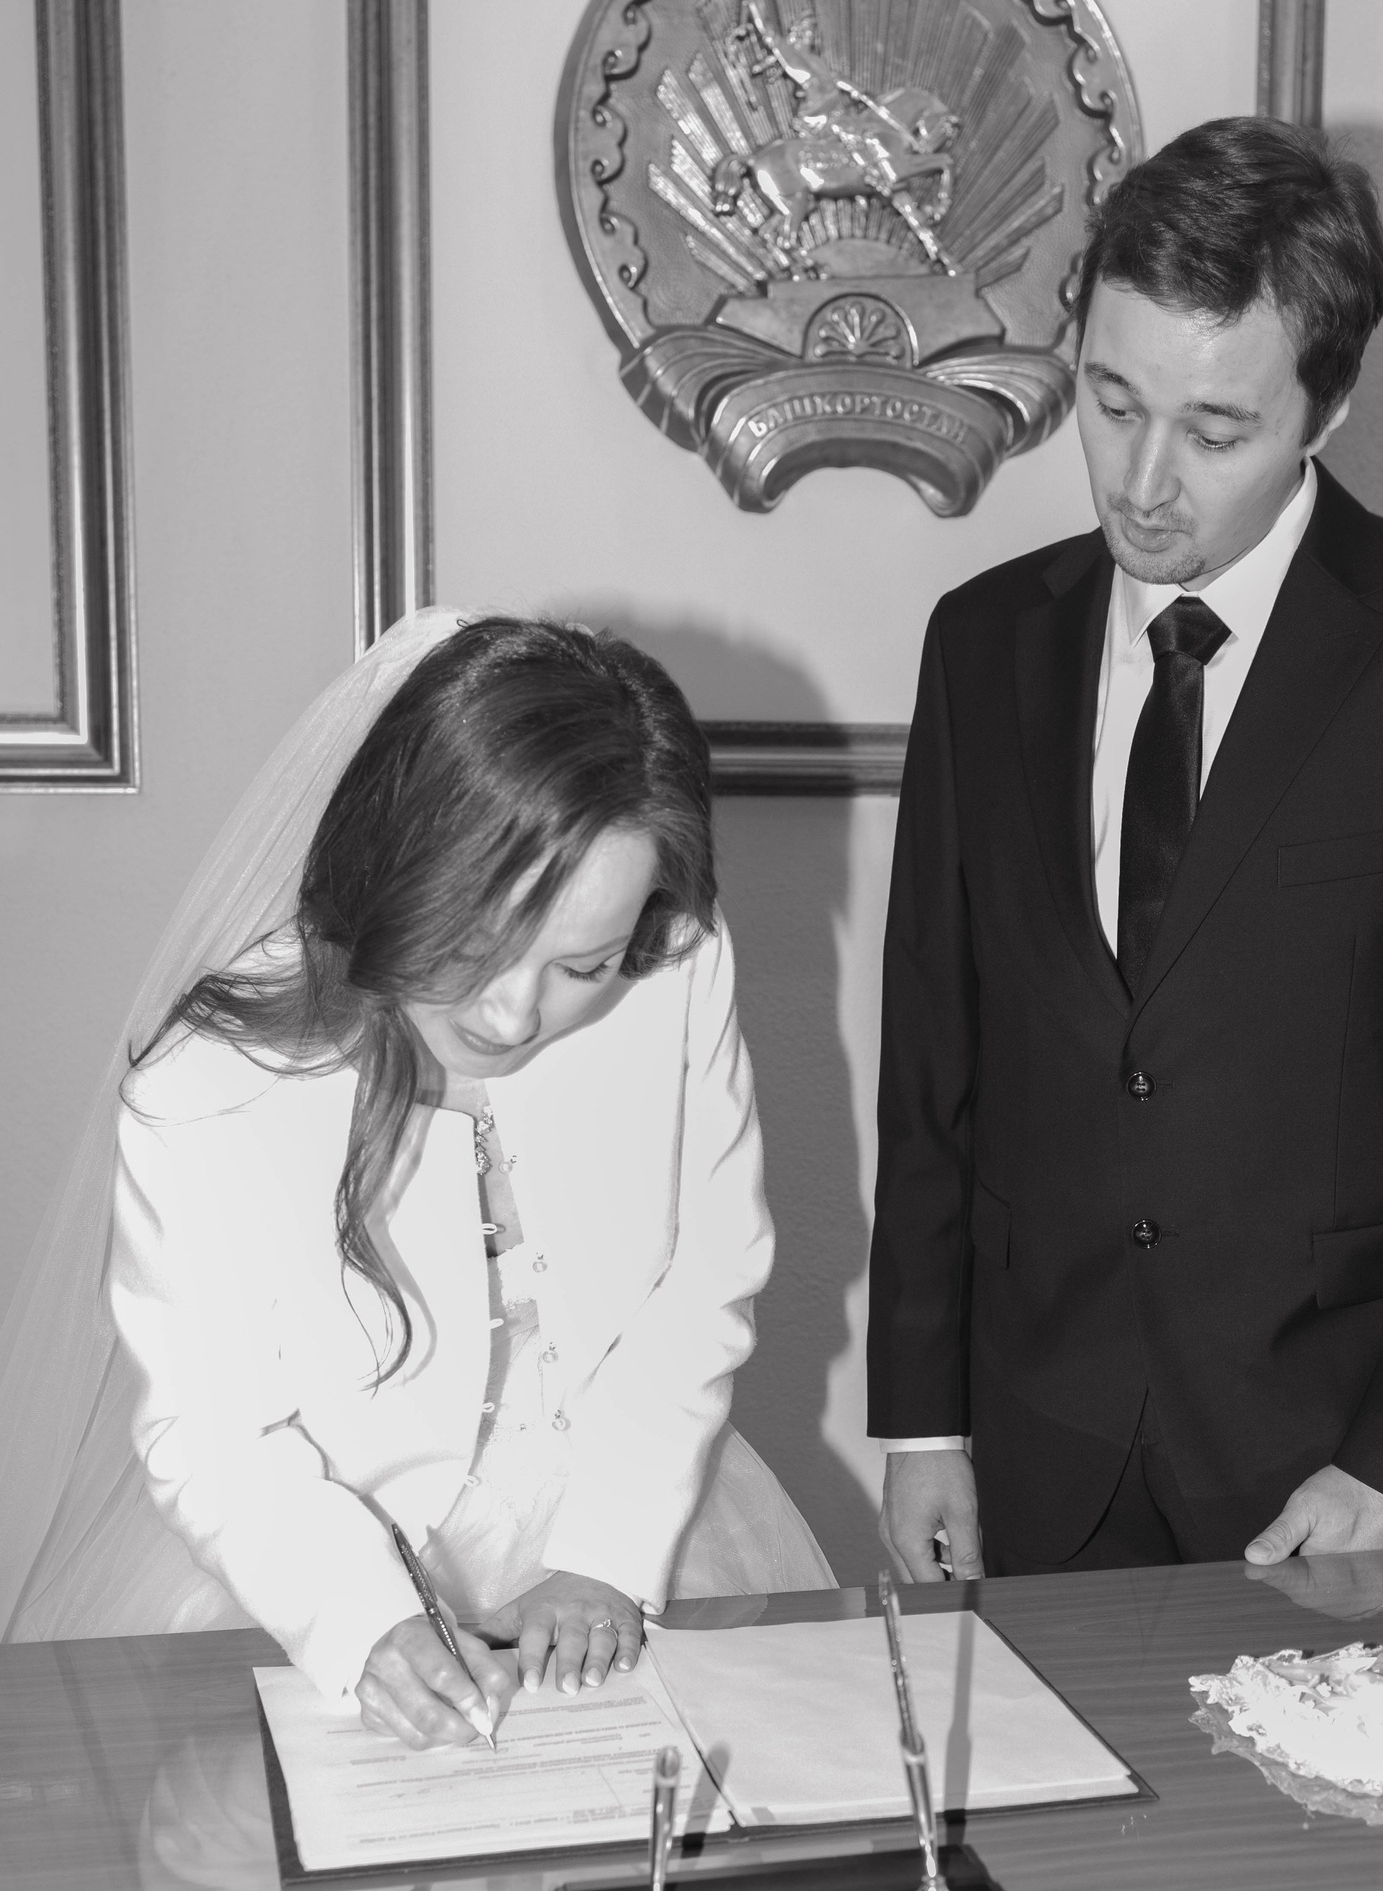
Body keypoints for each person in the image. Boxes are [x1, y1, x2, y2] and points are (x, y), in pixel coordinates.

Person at [869, 117, 1383, 1582]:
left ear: (1327, 410)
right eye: (1111, 402)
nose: (1144, 481)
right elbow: (932, 1065)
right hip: (1033, 1452)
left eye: (1214, 433)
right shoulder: (982, 645)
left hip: (1331, 1471)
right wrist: (922, 1420)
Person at [0, 612, 832, 1737]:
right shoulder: (206, 1092)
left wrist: (606, 1553)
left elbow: (704, 1275)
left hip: (626, 1507)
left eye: (583, 965)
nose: (513, 1015)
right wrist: (361, 1622)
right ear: (396, 876)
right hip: (308, 1553)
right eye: (474, 947)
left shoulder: (673, 969)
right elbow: (215, 1432)